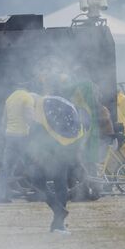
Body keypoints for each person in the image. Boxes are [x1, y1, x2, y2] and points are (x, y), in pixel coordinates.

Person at [27, 95, 85, 234]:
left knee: (37, 181)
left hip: (50, 153)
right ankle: (58, 223)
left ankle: (58, 212)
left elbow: (36, 139)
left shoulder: (40, 111)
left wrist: (34, 157)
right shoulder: (61, 106)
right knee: (60, 185)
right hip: (65, 149)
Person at [0, 86, 35, 204]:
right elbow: (29, 118)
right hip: (23, 136)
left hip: (10, 136)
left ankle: (0, 196)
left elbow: (4, 121)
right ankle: (38, 192)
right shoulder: (28, 97)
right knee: (31, 164)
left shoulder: (9, 98)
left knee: (6, 168)